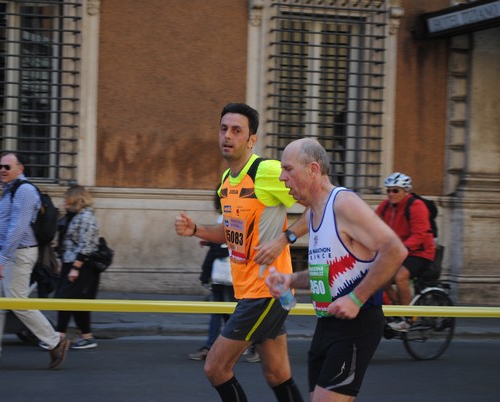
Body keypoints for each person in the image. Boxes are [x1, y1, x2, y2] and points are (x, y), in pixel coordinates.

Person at [175, 103, 304, 402]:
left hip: (265, 292)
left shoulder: (267, 171)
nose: (227, 136)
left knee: (216, 367)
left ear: (251, 139)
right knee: (277, 374)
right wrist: (196, 229)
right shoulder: (226, 181)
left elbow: (319, 198)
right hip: (251, 292)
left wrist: (286, 238)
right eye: (223, 129)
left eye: (236, 130)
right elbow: (231, 232)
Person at [265, 138, 407, 402]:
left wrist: (357, 297)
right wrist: (289, 279)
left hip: (357, 324)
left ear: (313, 169)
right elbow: (327, 272)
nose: (282, 178)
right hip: (326, 326)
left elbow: (395, 250)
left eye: (288, 169)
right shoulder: (314, 213)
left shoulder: (343, 203)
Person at [0, 152, 69, 370]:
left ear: (20, 168)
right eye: (0, 166)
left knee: (17, 302)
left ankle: (55, 340)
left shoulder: (25, 190)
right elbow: (12, 221)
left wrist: (3, 258)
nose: (2, 170)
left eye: (7, 166)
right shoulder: (10, 189)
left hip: (17, 255)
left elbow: (19, 228)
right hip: (6, 253)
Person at [375, 172, 436, 331]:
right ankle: (397, 310)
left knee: (401, 275)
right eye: (388, 190)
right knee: (381, 280)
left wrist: (402, 248)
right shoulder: (386, 206)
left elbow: (421, 234)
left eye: (395, 190)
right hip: (399, 251)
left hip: (421, 252)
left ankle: (409, 318)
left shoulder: (416, 206)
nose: (391, 194)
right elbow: (371, 223)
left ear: (405, 191)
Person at [188, 189, 236, 361]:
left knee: (228, 312)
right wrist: (211, 241)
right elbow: (224, 243)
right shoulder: (227, 216)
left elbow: (223, 247)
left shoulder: (226, 217)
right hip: (225, 273)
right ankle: (216, 346)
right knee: (225, 311)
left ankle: (214, 347)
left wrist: (204, 273)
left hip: (227, 274)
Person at [53, 185, 101, 350]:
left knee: (64, 299)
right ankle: (86, 336)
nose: (64, 204)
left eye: (67, 201)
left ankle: (59, 337)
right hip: (71, 263)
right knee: (76, 302)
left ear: (76, 200)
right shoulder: (74, 216)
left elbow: (86, 245)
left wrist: (75, 268)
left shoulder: (86, 217)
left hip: (81, 266)